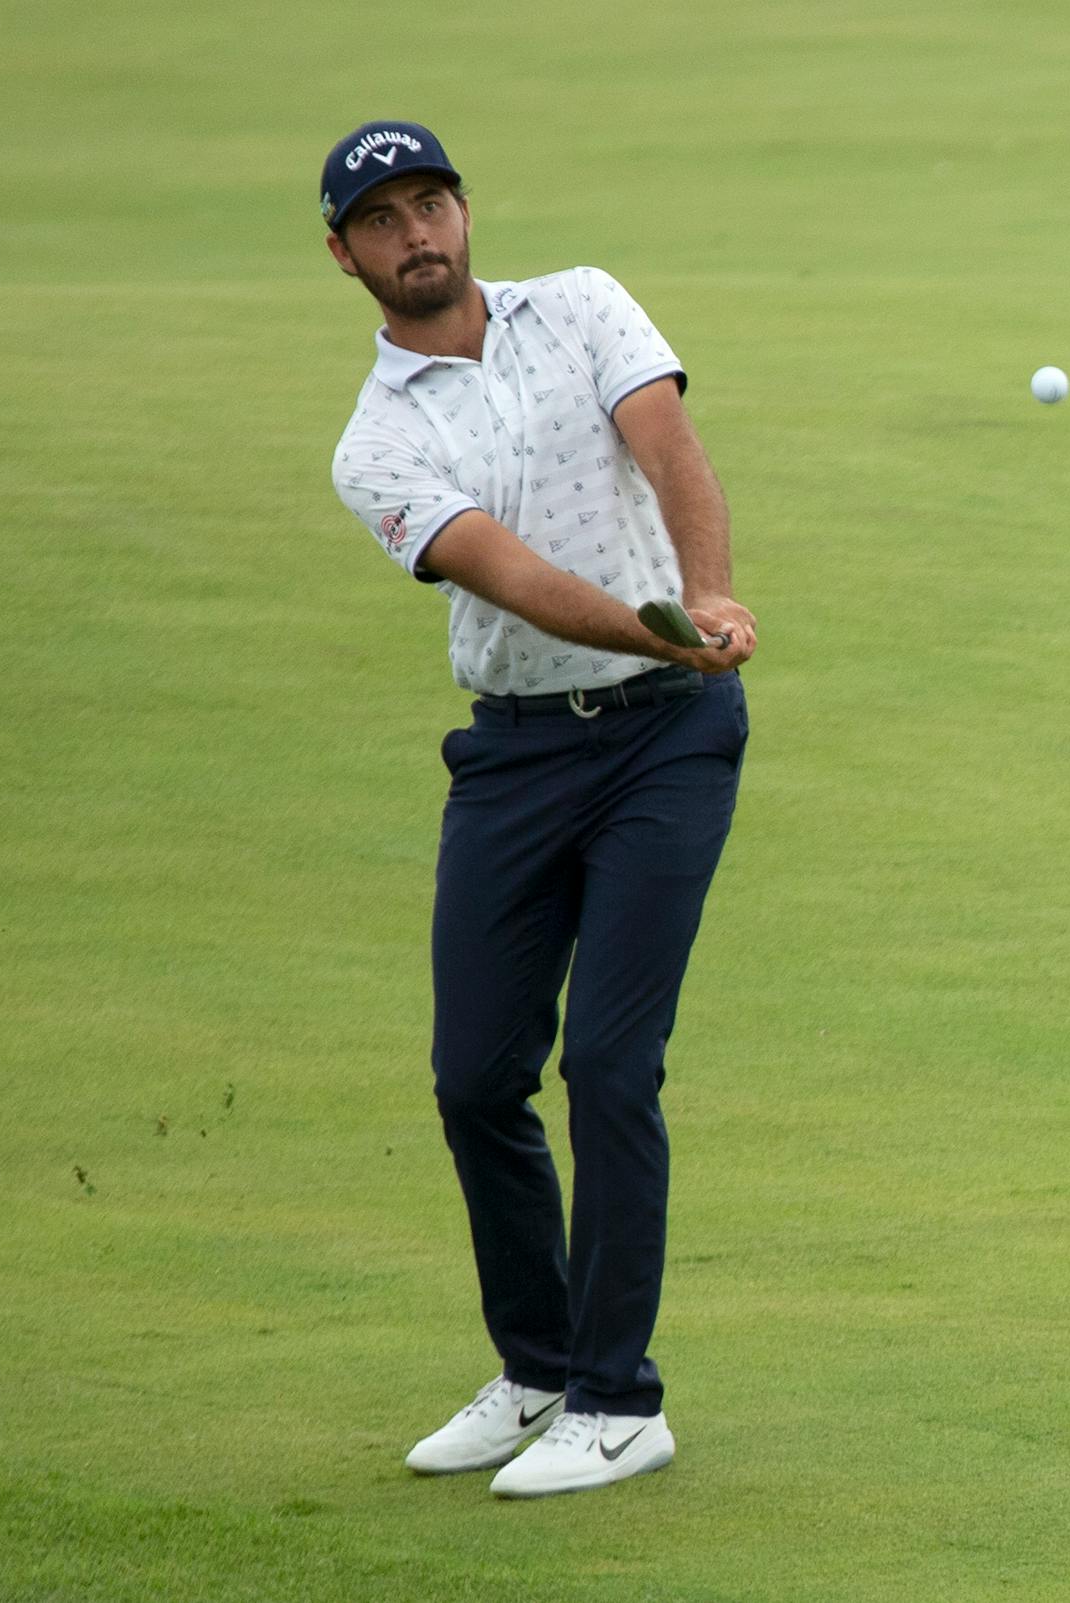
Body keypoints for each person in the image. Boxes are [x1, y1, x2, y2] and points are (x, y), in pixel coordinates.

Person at [320, 120, 757, 1500]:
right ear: (346, 257)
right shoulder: (376, 445)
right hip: (515, 756)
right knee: (473, 1077)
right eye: (384, 221)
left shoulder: (580, 303)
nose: (418, 233)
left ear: (463, 206)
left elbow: (666, 439)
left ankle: (621, 1403)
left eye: (431, 201)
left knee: (611, 1068)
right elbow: (499, 570)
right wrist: (658, 629)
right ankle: (540, 1368)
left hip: (666, 747)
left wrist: (709, 594)